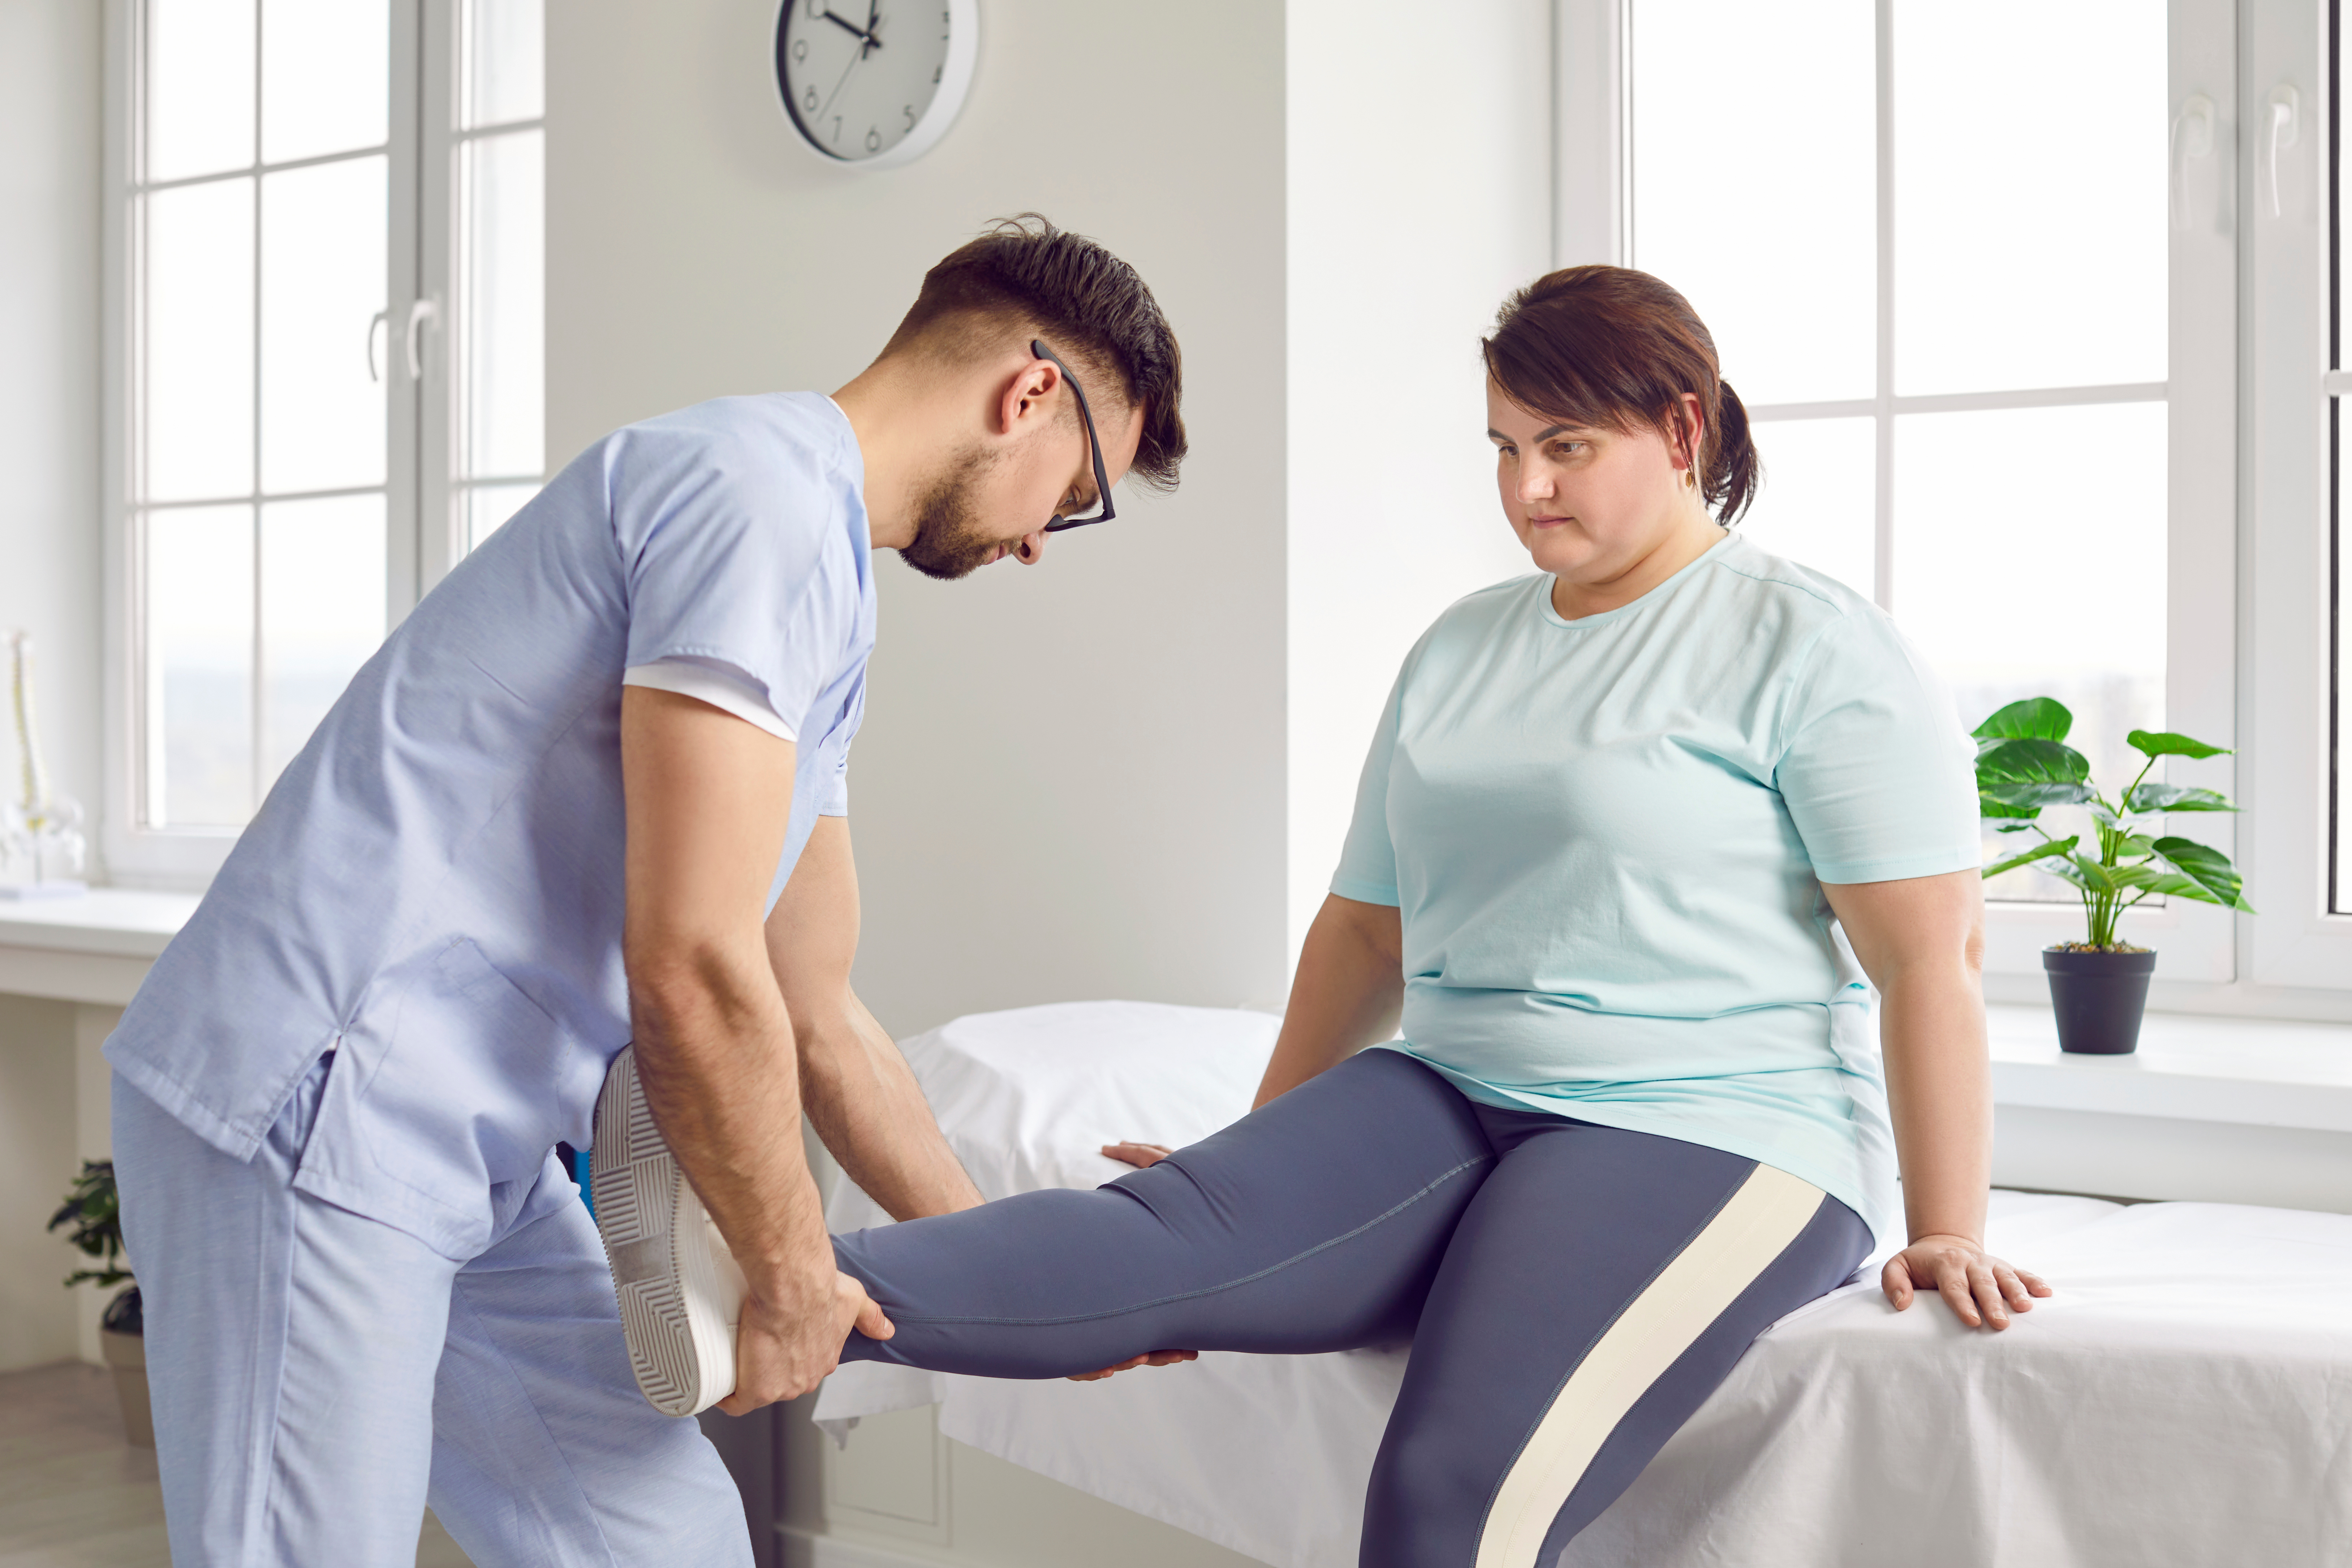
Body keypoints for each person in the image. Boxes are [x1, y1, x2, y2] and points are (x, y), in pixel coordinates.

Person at [814, 266, 2050, 1564]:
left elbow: (1931, 959)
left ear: (1683, 428)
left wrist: (1946, 1226)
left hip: (1712, 1121)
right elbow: (1366, 930)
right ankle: (763, 1294)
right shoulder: (1463, 646)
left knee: (1445, 1487)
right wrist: (1257, 1152)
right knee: (1152, 1248)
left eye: (1568, 447)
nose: (1529, 488)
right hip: (1450, 1086)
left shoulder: (1811, 644)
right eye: (1506, 449)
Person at [102, 214, 1184, 1568]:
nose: (1041, 542)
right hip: (319, 1099)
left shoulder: (824, 590)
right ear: (1028, 396)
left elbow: (814, 1004)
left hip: (478, 1149)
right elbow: (695, 962)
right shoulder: (755, 499)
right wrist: (788, 1271)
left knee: (665, 1541)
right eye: (1077, 492)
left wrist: (1035, 1294)